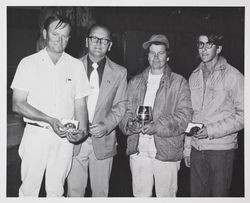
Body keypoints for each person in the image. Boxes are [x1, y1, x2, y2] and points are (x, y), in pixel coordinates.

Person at [11, 15, 90, 197]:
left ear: (70, 38)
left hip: (64, 139)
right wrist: (49, 119)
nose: (60, 40)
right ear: (45, 33)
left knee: (56, 191)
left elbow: (80, 106)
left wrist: (83, 131)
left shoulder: (76, 66)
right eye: (55, 34)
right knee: (29, 190)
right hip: (36, 134)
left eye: (65, 36)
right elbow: (17, 103)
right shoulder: (28, 63)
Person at [119, 34, 193, 197]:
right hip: (138, 148)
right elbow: (125, 111)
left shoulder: (179, 82)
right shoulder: (135, 82)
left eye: (161, 53)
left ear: (168, 56)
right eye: (152, 53)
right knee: (140, 195)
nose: (156, 57)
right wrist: (130, 124)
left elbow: (185, 116)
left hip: (166, 150)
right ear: (147, 56)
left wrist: (156, 126)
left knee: (165, 196)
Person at [67, 24, 127, 197]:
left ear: (110, 45)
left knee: (101, 193)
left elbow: (121, 104)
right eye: (94, 38)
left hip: (104, 139)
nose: (98, 43)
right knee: (73, 191)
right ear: (87, 41)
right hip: (75, 139)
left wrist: (106, 125)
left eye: (104, 40)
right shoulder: (71, 67)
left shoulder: (120, 72)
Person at [183, 31, 244, 197]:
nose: (204, 49)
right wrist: (187, 149)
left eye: (209, 44)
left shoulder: (234, 76)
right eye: (200, 44)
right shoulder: (193, 76)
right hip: (197, 148)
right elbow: (191, 115)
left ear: (218, 49)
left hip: (221, 149)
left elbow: (244, 115)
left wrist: (211, 130)